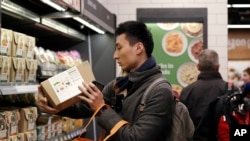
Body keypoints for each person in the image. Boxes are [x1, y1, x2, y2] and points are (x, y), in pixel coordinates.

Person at [36, 21, 175, 141]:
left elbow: (136, 138)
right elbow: (84, 107)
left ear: (139, 48)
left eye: (119, 48)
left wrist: (101, 109)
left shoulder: (160, 91)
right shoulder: (120, 85)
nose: (115, 56)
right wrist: (51, 102)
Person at [179, 49, 227, 141]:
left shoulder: (187, 91)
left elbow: (182, 125)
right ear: (218, 67)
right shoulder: (229, 89)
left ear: (198, 67)